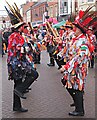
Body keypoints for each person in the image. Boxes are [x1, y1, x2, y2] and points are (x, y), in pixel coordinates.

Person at [60, 6, 97, 116]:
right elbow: (71, 52)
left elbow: (80, 57)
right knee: (68, 83)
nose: (73, 29)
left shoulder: (83, 41)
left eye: (75, 28)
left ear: (80, 29)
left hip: (79, 69)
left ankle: (79, 109)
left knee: (77, 87)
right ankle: (77, 103)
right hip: (73, 68)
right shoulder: (76, 39)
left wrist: (66, 67)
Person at [5, 4, 39, 112]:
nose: (25, 28)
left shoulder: (17, 36)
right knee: (34, 74)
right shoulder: (15, 36)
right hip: (17, 64)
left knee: (18, 84)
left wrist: (30, 44)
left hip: (17, 63)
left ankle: (17, 106)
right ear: (19, 27)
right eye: (23, 26)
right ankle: (20, 91)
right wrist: (30, 45)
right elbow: (20, 50)